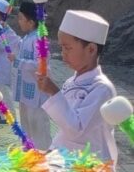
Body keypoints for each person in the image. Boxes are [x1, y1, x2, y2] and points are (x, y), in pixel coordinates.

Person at [37, 10, 117, 165]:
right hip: (68, 160)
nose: (63, 54)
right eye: (61, 48)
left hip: (90, 164)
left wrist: (54, 92)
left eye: (68, 48)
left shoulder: (102, 89)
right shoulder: (71, 82)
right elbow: (65, 130)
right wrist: (52, 149)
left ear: (91, 50)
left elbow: (76, 129)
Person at [8, 2, 51, 150]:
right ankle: (29, 157)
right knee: (27, 129)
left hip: (37, 95)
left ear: (31, 22)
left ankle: (43, 160)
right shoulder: (27, 38)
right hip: (26, 95)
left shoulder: (39, 39)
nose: (18, 21)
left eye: (21, 18)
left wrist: (18, 61)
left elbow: (40, 65)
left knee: (39, 130)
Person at [0, 0, 20, 124]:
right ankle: (1, 113)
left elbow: (0, 45)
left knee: (4, 91)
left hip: (3, 65)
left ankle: (10, 116)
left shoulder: (5, 29)